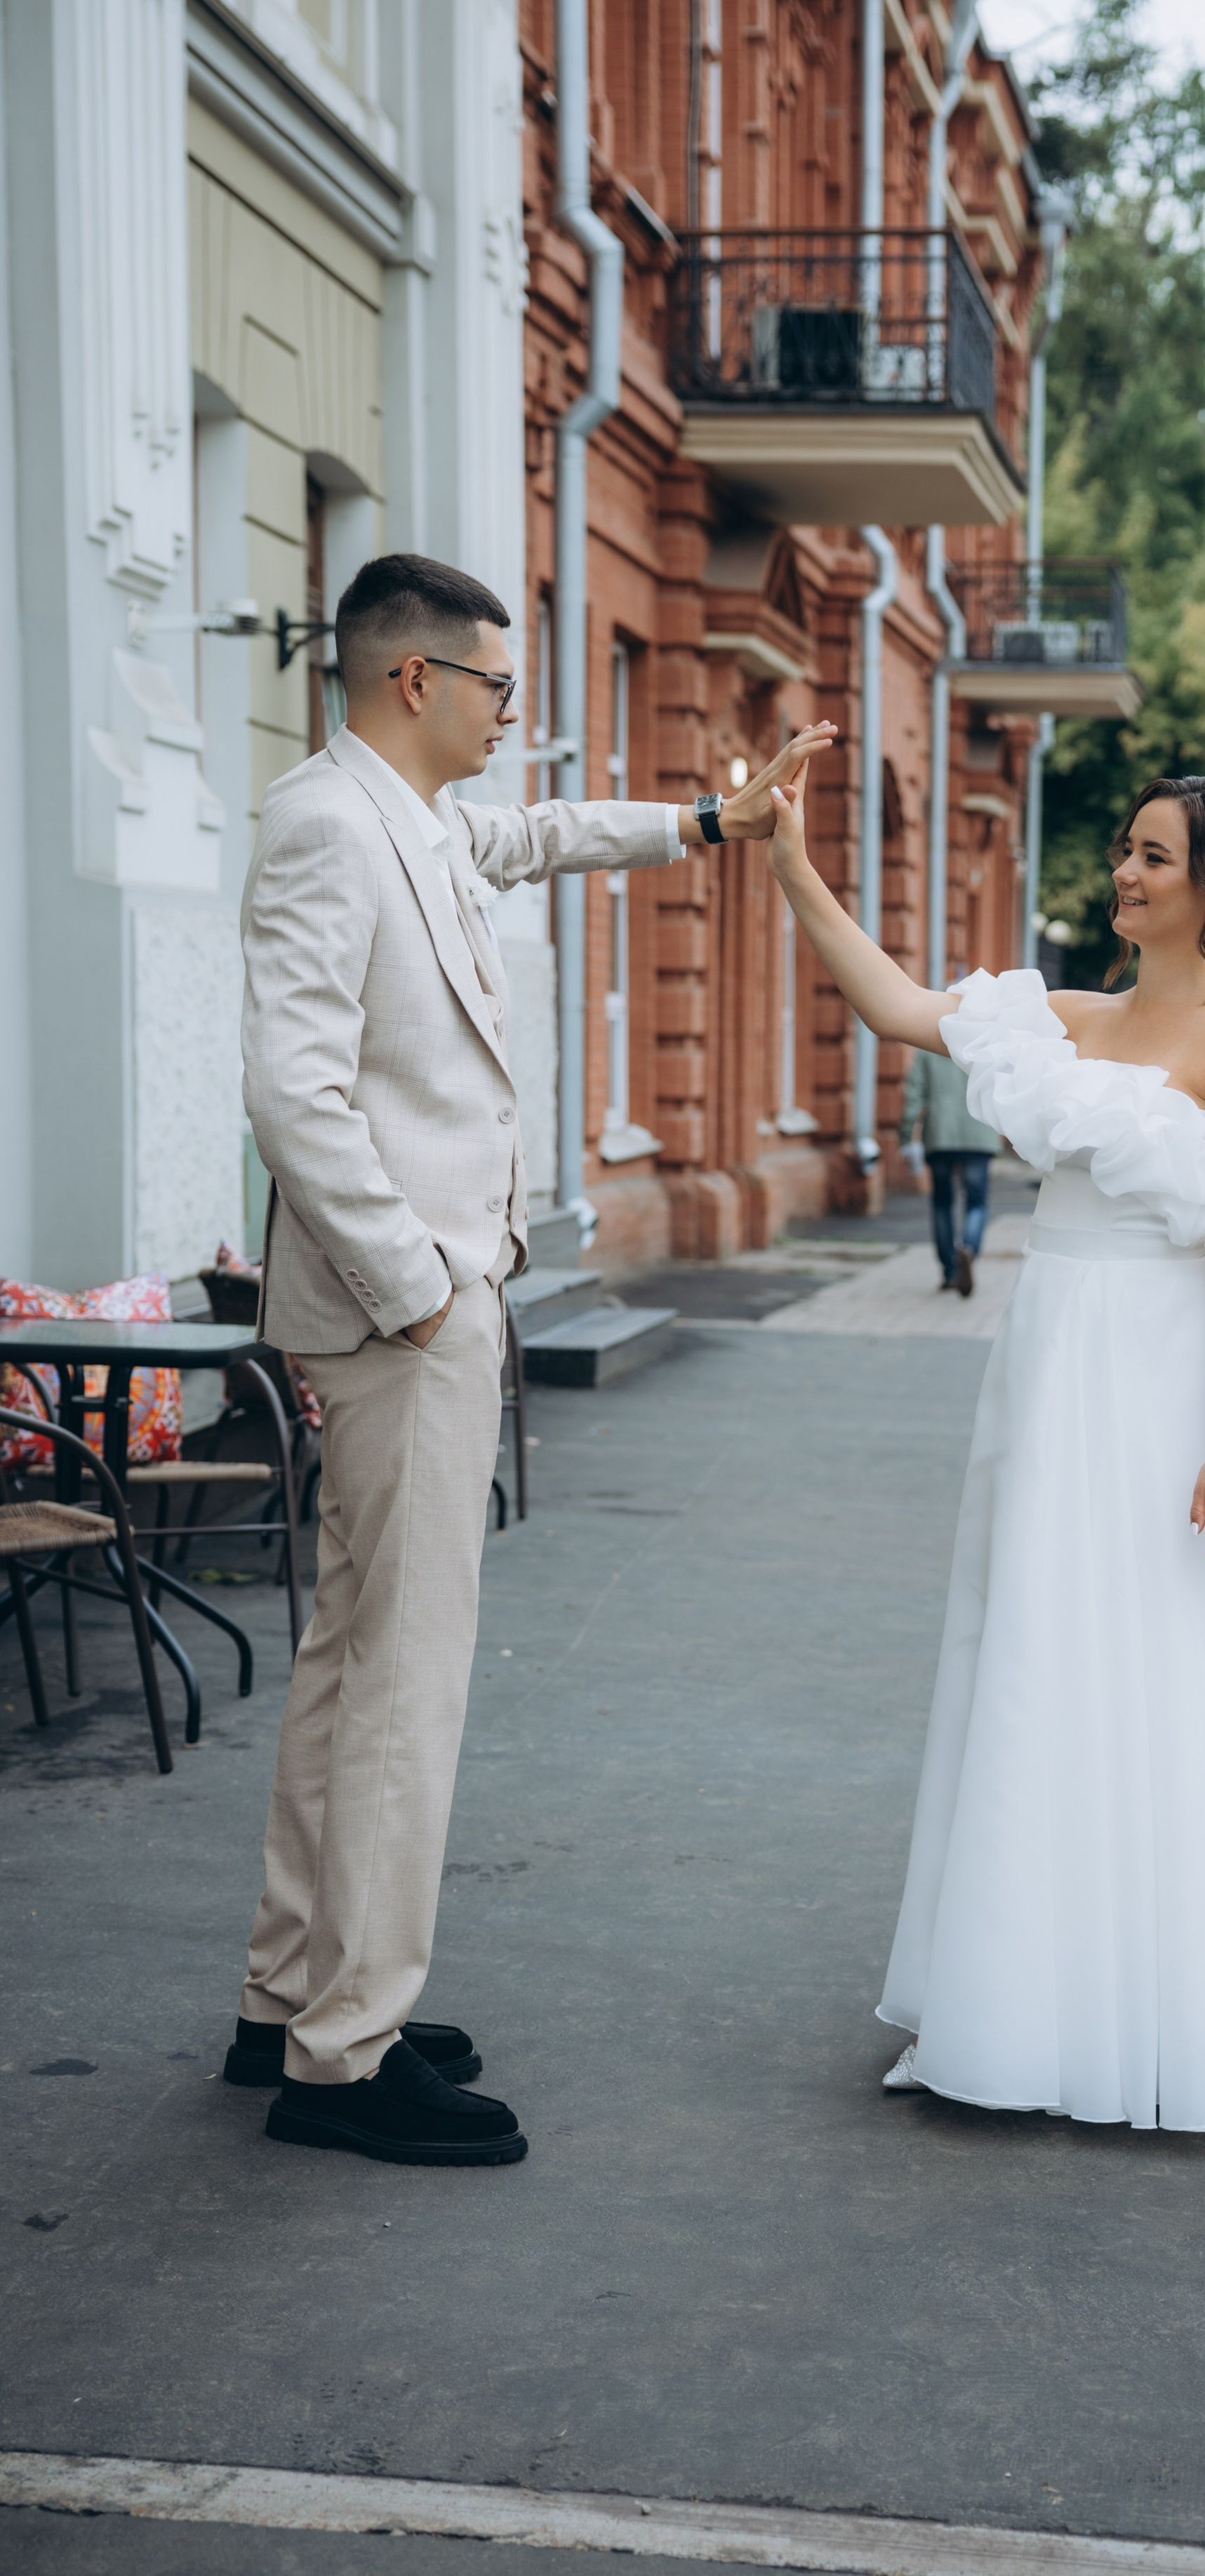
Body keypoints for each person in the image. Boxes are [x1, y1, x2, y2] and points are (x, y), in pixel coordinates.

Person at [226, 550, 832, 2167]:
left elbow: (548, 834)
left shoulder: (413, 819)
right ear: (411, 679)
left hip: (399, 1313)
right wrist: (423, 1287)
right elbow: (294, 1094)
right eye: (499, 685)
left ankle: (289, 1988)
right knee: (404, 1683)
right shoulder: (323, 824)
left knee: (348, 1655)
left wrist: (710, 822)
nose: (518, 713)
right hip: (395, 1316)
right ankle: (341, 2060)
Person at [768, 763, 1205, 2133]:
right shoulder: (1059, 1017)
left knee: (1174, 1671)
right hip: (1057, 1376)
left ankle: (1174, 2009)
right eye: (1122, 849)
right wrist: (787, 864)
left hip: (1178, 1390)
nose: (1123, 872)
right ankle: (1026, 1998)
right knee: (1043, 1658)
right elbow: (890, 1004)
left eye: (1153, 857)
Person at [900, 1039, 1000, 1296]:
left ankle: (949, 1271)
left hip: (939, 1136)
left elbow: (913, 1096)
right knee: (976, 1202)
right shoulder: (988, 1045)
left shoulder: (928, 1046)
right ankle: (968, 1248)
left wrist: (905, 1138)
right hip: (979, 1135)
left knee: (942, 1203)